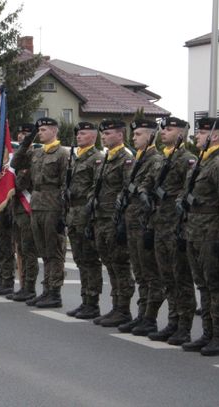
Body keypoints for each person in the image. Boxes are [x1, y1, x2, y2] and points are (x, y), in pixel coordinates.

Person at [140, 117, 197, 345]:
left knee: (181, 278)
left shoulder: (187, 159)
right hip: (159, 224)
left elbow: (188, 192)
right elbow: (147, 181)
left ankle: (184, 327)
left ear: (181, 133)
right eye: (163, 128)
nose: (163, 132)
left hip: (176, 226)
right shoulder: (161, 157)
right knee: (167, 278)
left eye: (169, 129)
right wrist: (145, 191)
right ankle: (172, 322)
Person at [11, 117, 69, 308]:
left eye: (43, 130)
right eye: (39, 130)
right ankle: (45, 290)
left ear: (54, 131)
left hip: (53, 205)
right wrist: (27, 140)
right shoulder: (36, 153)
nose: (40, 132)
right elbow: (16, 162)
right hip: (36, 205)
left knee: (55, 251)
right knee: (43, 251)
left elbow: (65, 184)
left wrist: (62, 212)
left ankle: (54, 292)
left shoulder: (62, 154)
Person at [178, 117, 219, 356]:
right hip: (194, 230)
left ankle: (218, 336)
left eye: (200, 134)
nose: (197, 138)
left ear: (213, 135)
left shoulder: (218, 163)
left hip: (211, 233)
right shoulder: (202, 163)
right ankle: (207, 333)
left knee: (215, 286)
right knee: (203, 286)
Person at [116, 120, 163, 336]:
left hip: (145, 222)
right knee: (140, 273)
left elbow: (147, 189)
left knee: (150, 273)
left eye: (138, 134)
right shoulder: (137, 159)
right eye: (133, 134)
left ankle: (150, 318)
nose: (134, 138)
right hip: (131, 221)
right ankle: (142, 315)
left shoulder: (155, 160)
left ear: (151, 136)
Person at [90, 119, 135, 327]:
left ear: (120, 135)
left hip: (114, 219)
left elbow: (127, 191)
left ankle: (123, 309)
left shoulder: (126, 159)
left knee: (120, 265)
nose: (104, 137)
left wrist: (121, 223)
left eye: (108, 134)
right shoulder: (106, 158)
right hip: (101, 218)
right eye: (103, 134)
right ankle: (116, 307)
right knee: (110, 265)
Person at [65, 122, 104, 319]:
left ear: (93, 136)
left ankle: (93, 302)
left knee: (90, 259)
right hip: (73, 213)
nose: (79, 136)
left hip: (86, 213)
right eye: (78, 133)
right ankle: (85, 300)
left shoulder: (96, 158)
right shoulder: (76, 157)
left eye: (83, 133)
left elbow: (96, 188)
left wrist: (90, 215)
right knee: (80, 259)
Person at [6, 123, 39, 302]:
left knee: (28, 250)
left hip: (28, 209)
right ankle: (23, 284)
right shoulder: (18, 157)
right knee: (20, 249)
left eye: (26, 134)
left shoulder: (33, 156)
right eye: (20, 134)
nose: (21, 137)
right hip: (17, 208)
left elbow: (20, 184)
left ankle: (30, 286)